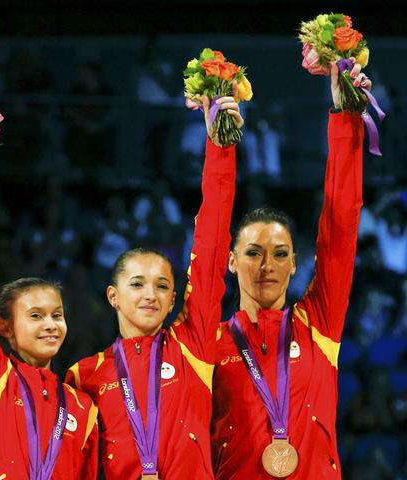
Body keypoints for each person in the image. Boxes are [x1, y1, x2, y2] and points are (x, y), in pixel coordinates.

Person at [66, 96, 241, 478]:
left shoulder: (191, 347)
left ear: (173, 299)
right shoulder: (84, 375)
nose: (150, 294)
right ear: (113, 296)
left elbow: (211, 248)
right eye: (137, 284)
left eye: (162, 286)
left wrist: (219, 147)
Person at [211, 62, 370, 479]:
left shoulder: (317, 325)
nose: (267, 266)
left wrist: (345, 118)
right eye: (253, 252)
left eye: (280, 254)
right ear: (230, 261)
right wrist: (220, 146)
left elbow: (341, 224)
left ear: (295, 264)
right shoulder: (207, 346)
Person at [0, 145, 99, 479]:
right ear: (4, 327)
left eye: (57, 315)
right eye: (35, 315)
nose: (50, 325)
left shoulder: (82, 408)